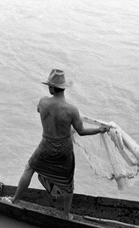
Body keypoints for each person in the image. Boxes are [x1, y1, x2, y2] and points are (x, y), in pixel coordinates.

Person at [10, 69, 110, 219]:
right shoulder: (72, 110)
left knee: (30, 168)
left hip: (46, 146)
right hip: (64, 149)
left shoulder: (43, 102)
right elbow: (81, 131)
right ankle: (65, 214)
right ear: (64, 88)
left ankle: (15, 199)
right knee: (67, 183)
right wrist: (100, 129)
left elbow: (40, 111)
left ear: (51, 87)